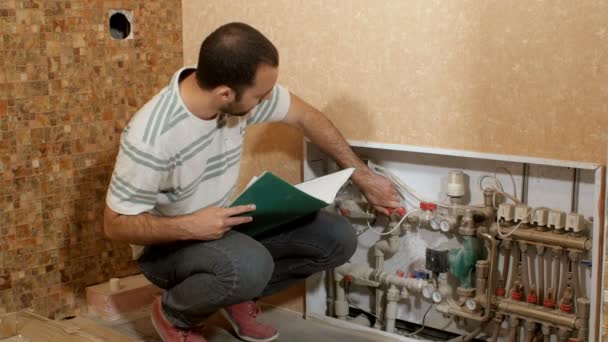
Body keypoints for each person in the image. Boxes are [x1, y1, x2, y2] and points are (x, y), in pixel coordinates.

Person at [103, 22, 399, 342]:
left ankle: (236, 295)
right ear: (225, 93)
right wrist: (191, 225)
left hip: (222, 224)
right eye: (261, 95)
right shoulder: (153, 137)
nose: (269, 99)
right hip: (166, 247)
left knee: (337, 238)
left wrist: (363, 176)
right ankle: (174, 314)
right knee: (249, 266)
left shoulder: (232, 96)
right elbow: (115, 225)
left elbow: (306, 117)